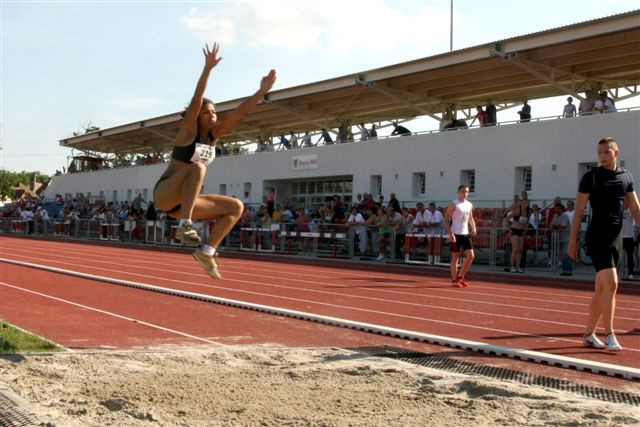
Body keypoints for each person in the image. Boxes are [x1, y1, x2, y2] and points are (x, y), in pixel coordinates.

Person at [153, 42, 276, 279]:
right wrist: (208, 68)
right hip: (166, 193)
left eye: (215, 112)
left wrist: (261, 91)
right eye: (207, 112)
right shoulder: (188, 132)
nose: (213, 115)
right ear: (196, 116)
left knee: (235, 207)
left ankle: (208, 251)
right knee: (197, 167)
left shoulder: (214, 136)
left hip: (184, 203)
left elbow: (239, 113)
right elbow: (197, 99)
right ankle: (186, 226)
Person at [568, 137, 640, 351]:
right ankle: (609, 334)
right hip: (596, 236)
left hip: (616, 237)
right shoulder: (591, 177)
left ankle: (589, 335)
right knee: (613, 284)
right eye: (599, 153)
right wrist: (572, 241)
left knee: (601, 289)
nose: (602, 156)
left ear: (616, 153)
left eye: (606, 152)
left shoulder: (626, 177)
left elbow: (635, 207)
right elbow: (579, 211)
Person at [444, 185, 476, 287]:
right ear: (458, 192)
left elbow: (470, 217)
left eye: (466, 192)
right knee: (455, 258)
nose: (465, 193)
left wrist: (474, 227)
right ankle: (454, 280)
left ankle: (461, 276)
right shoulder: (454, 204)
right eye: (463, 191)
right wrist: (451, 234)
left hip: (465, 233)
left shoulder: (469, 204)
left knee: (471, 256)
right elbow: (446, 220)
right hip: (456, 234)